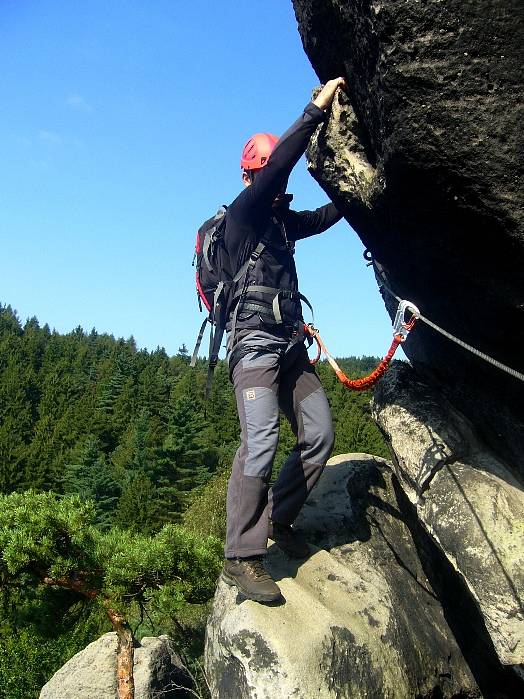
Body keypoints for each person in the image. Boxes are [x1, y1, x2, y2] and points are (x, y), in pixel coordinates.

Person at [221, 78, 346, 603]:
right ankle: (242, 558)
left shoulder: (279, 224)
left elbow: (322, 218)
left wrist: (363, 196)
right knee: (261, 442)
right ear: (253, 176)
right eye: (266, 176)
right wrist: (312, 114)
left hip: (290, 346)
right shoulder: (243, 216)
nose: (275, 186)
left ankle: (278, 519)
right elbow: (279, 168)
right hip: (253, 348)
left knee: (318, 434)